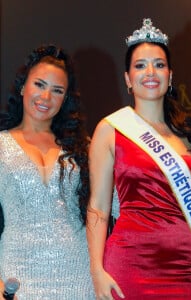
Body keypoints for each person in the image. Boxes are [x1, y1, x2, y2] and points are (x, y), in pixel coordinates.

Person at [87, 18, 191, 300]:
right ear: (127, 78)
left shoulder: (189, 133)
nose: (150, 72)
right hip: (129, 262)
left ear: (170, 76)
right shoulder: (110, 129)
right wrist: (97, 270)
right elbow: (98, 208)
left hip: (186, 264)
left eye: (159, 64)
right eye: (140, 65)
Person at [0, 44, 95, 299]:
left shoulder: (83, 148)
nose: (45, 97)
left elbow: (115, 204)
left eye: (57, 91)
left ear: (65, 99)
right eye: (39, 85)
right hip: (16, 278)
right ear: (23, 86)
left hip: (78, 274)